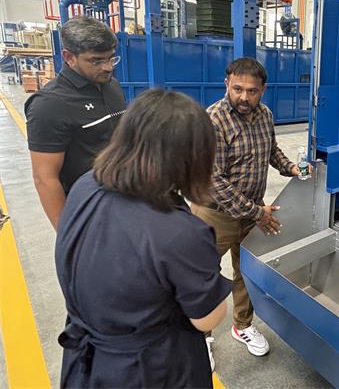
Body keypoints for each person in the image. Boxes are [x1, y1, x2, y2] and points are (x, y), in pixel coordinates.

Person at [55, 89, 232, 388]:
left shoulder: (85, 185)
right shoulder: (179, 232)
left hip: (87, 361)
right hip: (148, 369)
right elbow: (207, 319)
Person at [192, 57, 311, 358]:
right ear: (227, 84)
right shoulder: (213, 120)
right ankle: (200, 337)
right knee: (203, 275)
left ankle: (242, 325)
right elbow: (214, 180)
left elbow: (271, 151)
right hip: (215, 214)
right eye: (237, 89)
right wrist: (258, 212)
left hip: (251, 210)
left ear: (263, 90)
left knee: (246, 269)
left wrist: (291, 168)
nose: (244, 97)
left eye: (252, 91)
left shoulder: (265, 114)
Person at [25, 16, 126, 230]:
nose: (108, 67)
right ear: (69, 57)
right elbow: (45, 179)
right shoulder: (49, 105)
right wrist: (68, 234)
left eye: (111, 58)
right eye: (96, 61)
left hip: (122, 199)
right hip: (87, 209)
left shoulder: (112, 87)